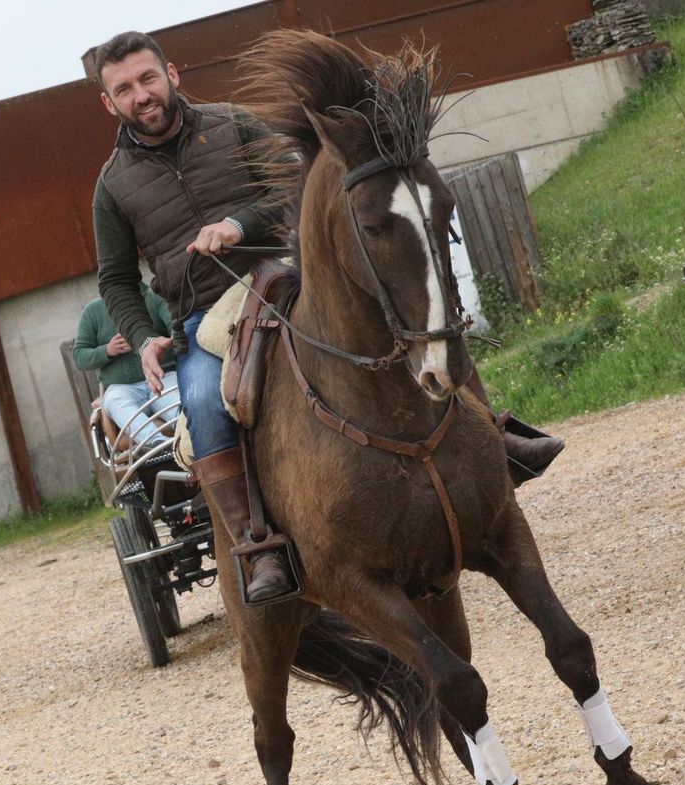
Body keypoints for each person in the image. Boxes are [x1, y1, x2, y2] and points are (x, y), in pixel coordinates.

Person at [88, 30, 562, 605]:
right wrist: (142, 337)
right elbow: (115, 278)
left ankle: (496, 437)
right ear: (108, 103)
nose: (142, 94)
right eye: (125, 89)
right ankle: (257, 545)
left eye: (147, 78)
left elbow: (302, 190)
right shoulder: (111, 186)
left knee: (410, 320)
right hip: (203, 319)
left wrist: (238, 224)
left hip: (291, 275)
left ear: (172, 75)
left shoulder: (234, 124)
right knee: (208, 407)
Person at [72, 284, 180, 451]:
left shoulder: (153, 298)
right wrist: (107, 350)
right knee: (114, 400)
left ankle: (186, 433)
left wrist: (160, 342)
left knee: (176, 399)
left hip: (162, 376)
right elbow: (79, 357)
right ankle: (157, 444)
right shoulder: (93, 312)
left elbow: (177, 329)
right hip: (123, 388)